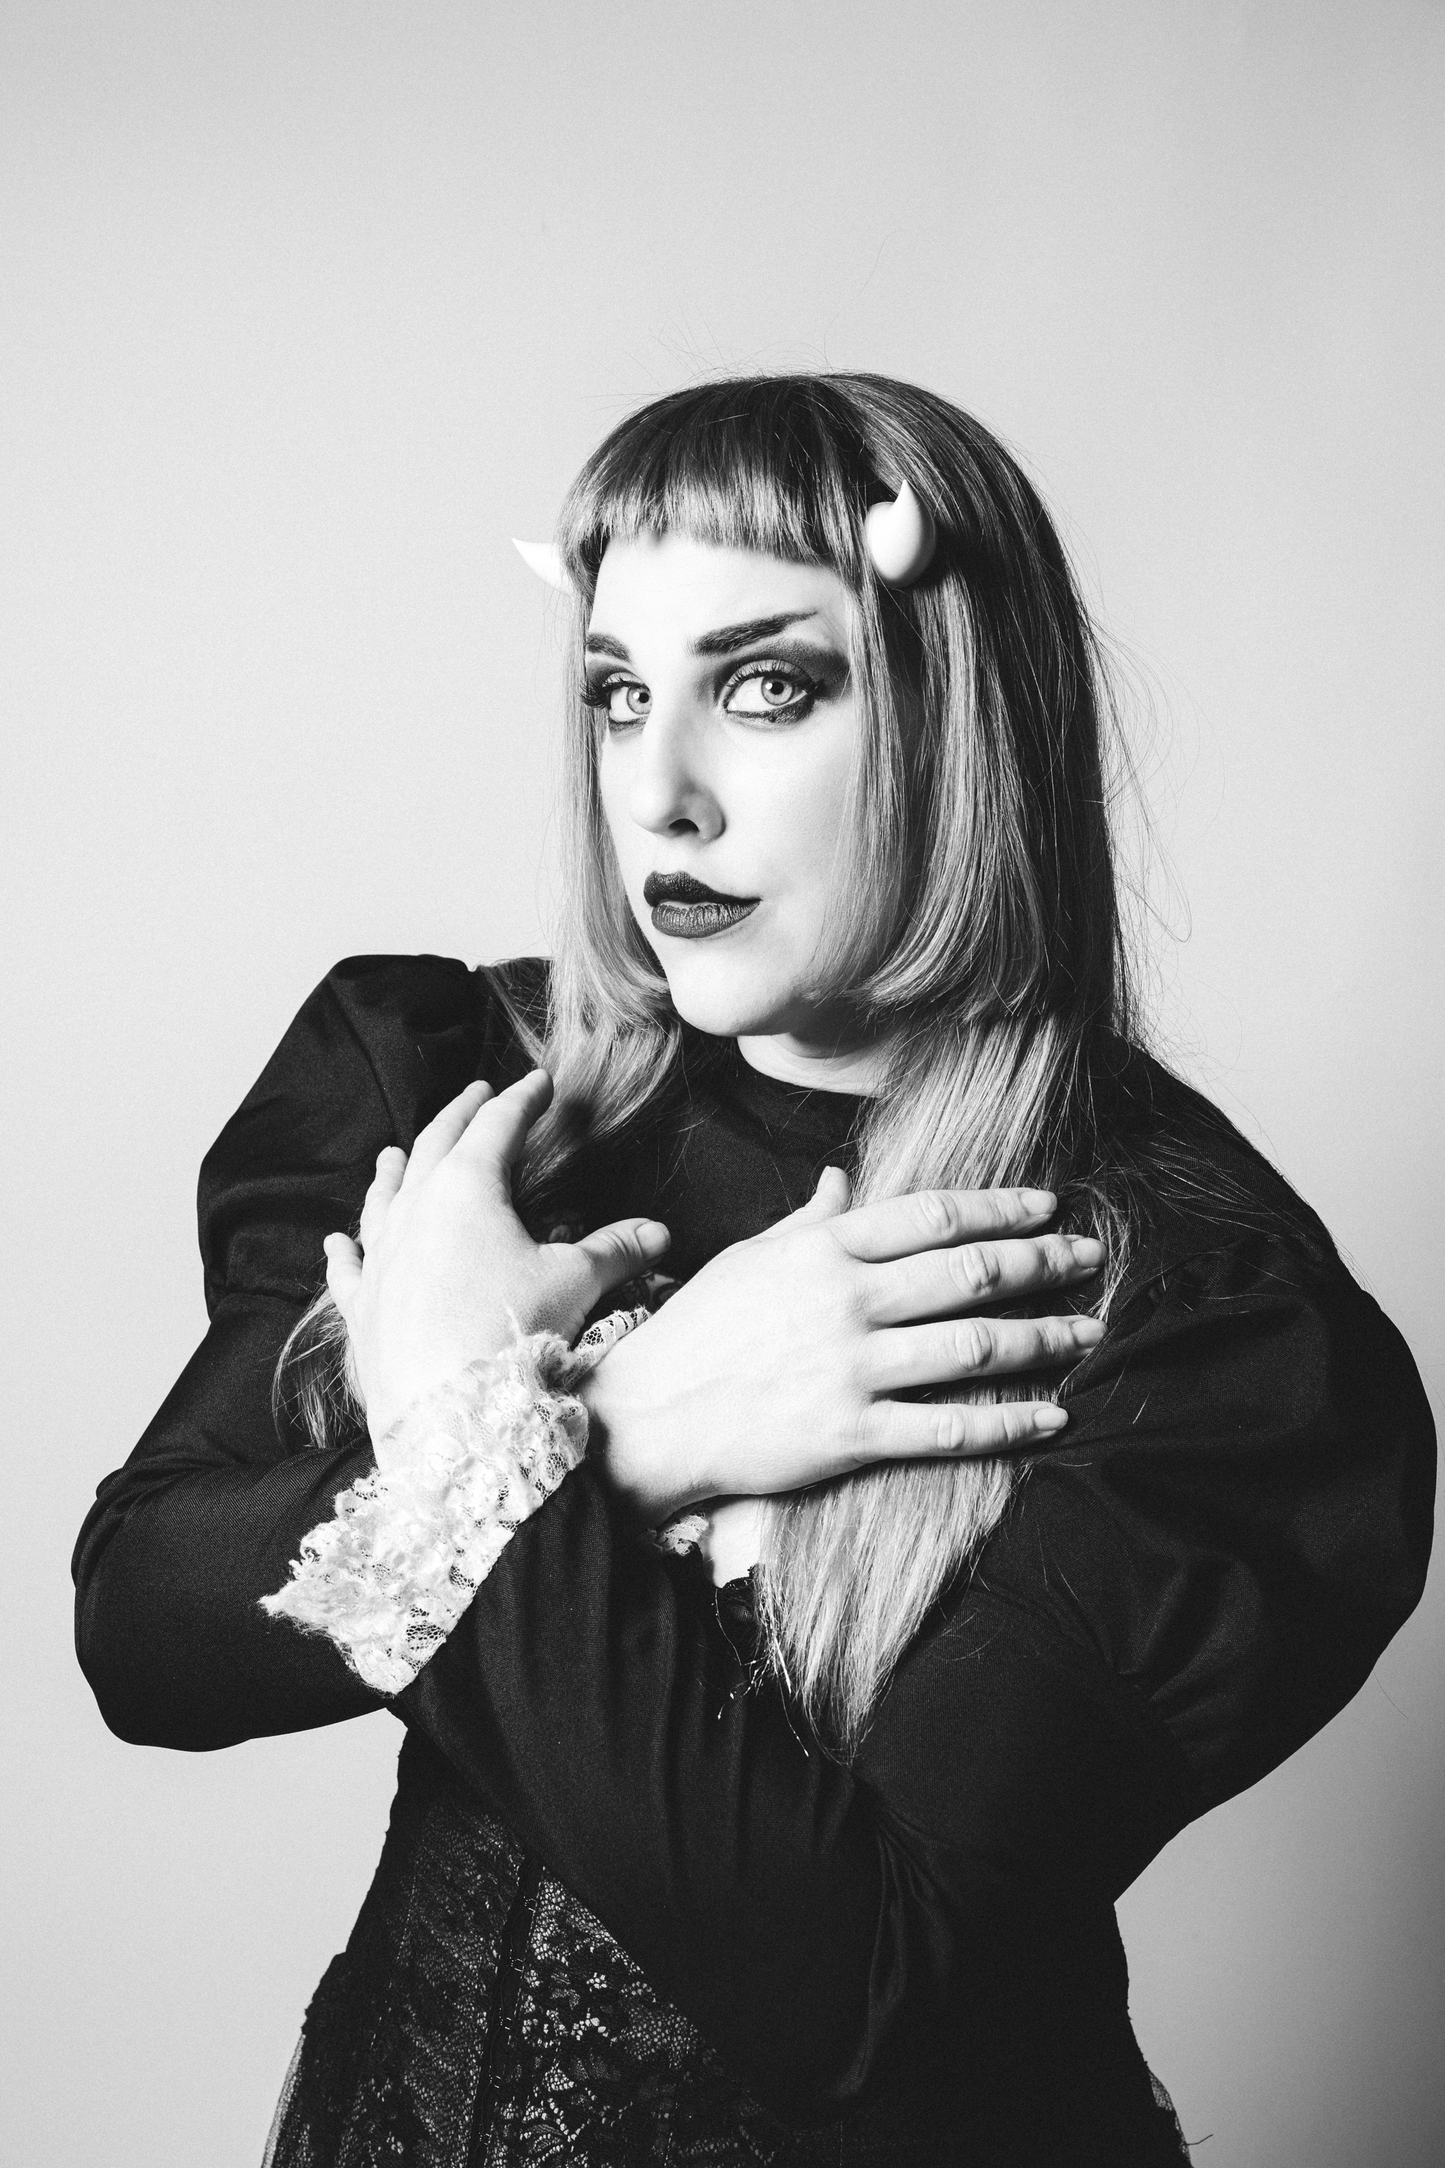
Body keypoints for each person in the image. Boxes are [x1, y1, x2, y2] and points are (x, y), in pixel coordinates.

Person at [73, 374, 1434, 2167]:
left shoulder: (1172, 1302)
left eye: (766, 686)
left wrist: (487, 1444)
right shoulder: (466, 1091)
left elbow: (872, 2006)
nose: (661, 793)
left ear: (962, 714)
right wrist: (627, 1425)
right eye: (620, 692)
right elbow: (146, 1634)